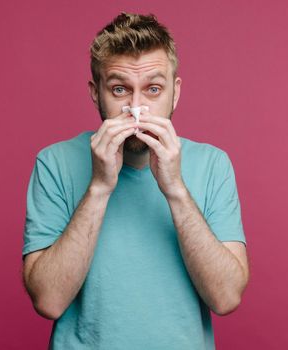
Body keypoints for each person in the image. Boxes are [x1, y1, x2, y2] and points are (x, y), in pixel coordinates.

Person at [21, 12, 249, 349]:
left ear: (175, 93)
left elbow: (227, 297)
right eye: (119, 89)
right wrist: (99, 187)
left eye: (153, 89)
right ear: (95, 93)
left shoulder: (213, 165)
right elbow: (49, 301)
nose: (137, 108)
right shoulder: (54, 163)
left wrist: (175, 190)